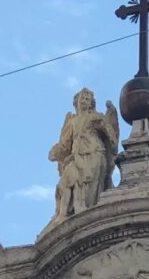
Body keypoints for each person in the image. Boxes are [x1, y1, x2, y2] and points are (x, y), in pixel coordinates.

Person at [48, 88, 119, 220]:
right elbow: (65, 143)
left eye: (87, 99)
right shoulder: (72, 121)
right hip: (76, 156)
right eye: (82, 98)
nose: (84, 101)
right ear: (76, 102)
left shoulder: (96, 117)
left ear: (92, 103)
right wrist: (56, 151)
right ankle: (64, 215)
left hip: (94, 154)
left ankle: (87, 214)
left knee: (89, 188)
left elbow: (110, 134)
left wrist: (109, 131)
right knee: (66, 182)